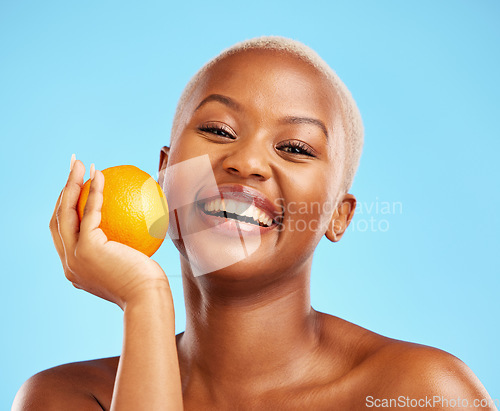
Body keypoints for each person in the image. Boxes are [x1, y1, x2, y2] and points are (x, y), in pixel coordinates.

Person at [13, 36, 496, 410]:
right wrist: (145, 301)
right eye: (219, 131)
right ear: (165, 173)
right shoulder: (65, 398)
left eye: (295, 148)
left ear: (338, 216)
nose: (246, 163)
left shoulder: (423, 393)